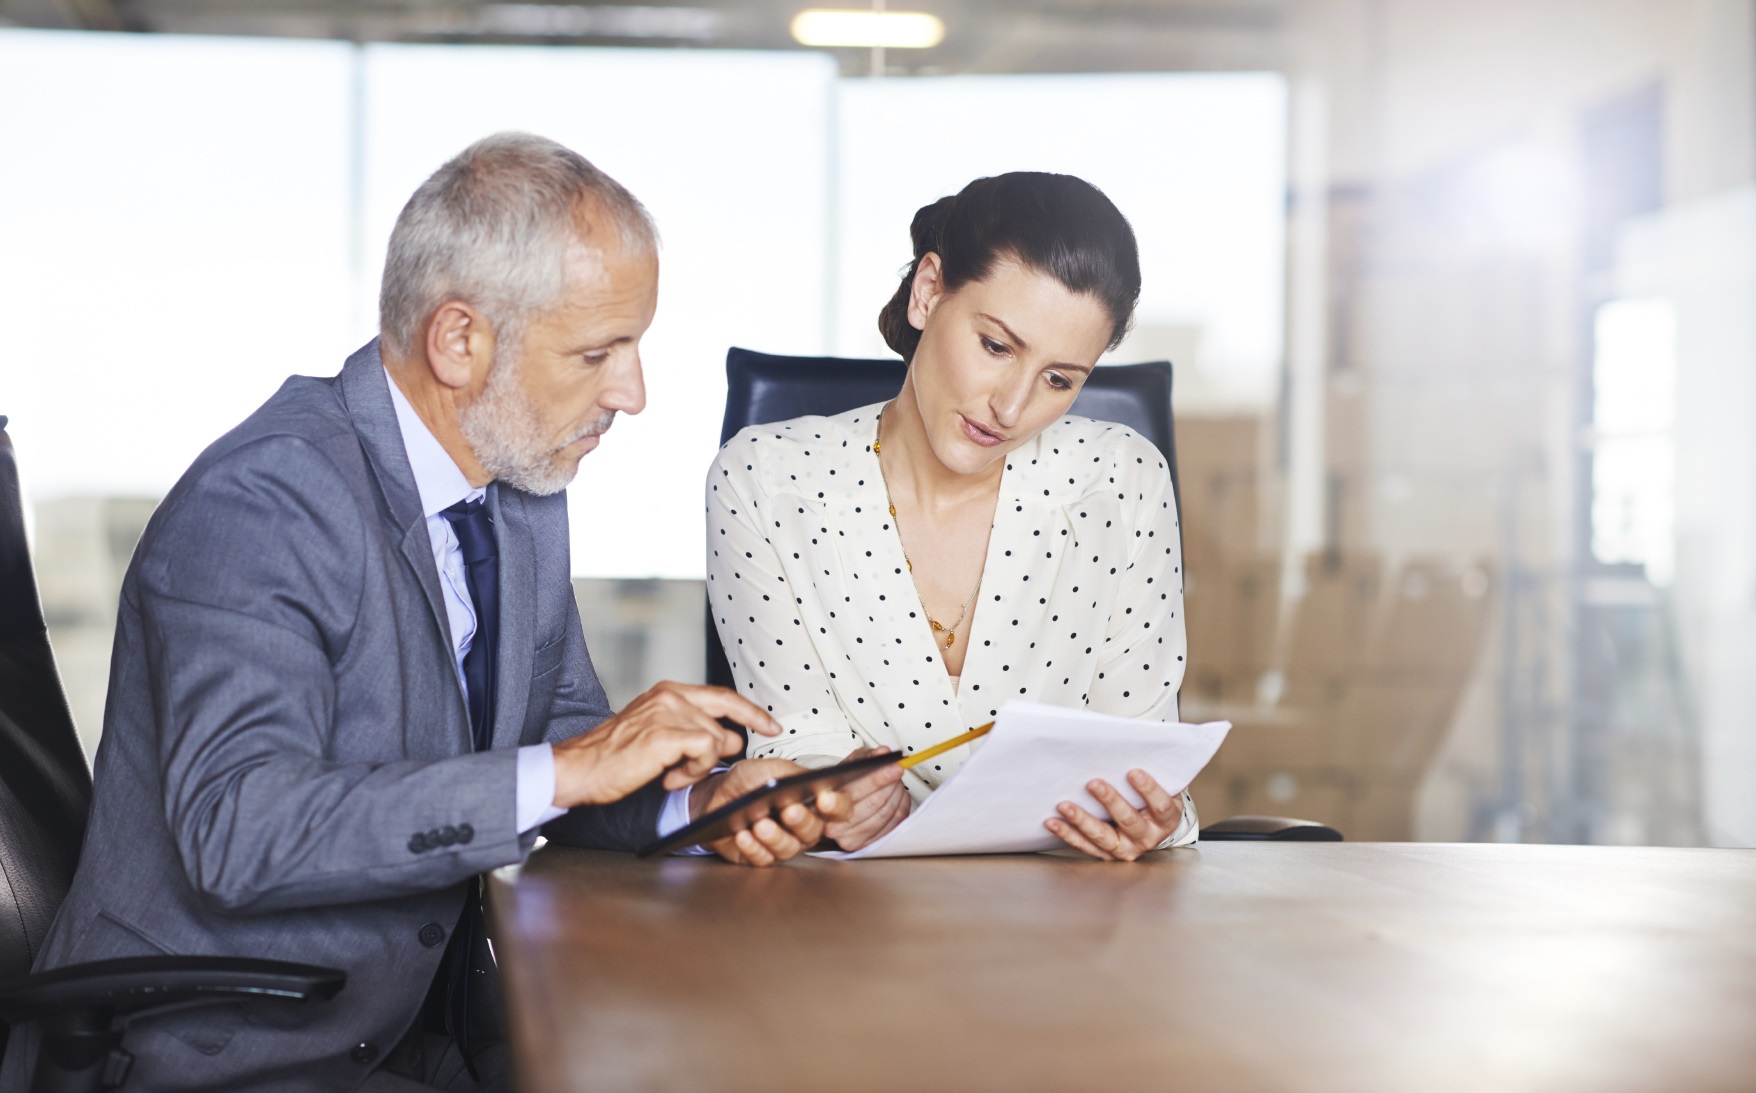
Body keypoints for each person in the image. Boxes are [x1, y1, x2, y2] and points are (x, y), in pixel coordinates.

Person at [0, 133, 846, 1093]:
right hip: (223, 1049)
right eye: (598, 352)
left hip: (422, 1027)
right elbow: (239, 829)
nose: (634, 392)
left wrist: (696, 804)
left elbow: (566, 744)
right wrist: (576, 766)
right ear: (458, 340)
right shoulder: (264, 502)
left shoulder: (517, 484)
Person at [706, 172, 1196, 862]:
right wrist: (831, 800)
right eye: (996, 346)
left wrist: (1151, 816)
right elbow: (795, 747)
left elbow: (1140, 749)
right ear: (928, 291)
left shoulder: (1121, 482)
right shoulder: (767, 480)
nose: (1011, 407)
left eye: (1059, 380)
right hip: (840, 919)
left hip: (1069, 918)